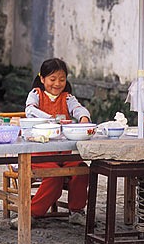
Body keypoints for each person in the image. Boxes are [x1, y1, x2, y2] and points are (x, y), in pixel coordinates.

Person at [10, 58, 91, 229]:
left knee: (82, 170)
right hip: (40, 152)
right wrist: (52, 120)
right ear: (42, 79)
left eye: (61, 79)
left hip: (64, 152)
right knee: (54, 175)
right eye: (52, 79)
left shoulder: (67, 97)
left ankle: (76, 211)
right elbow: (30, 111)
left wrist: (83, 117)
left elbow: (78, 109)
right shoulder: (36, 94)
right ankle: (31, 214)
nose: (57, 84)